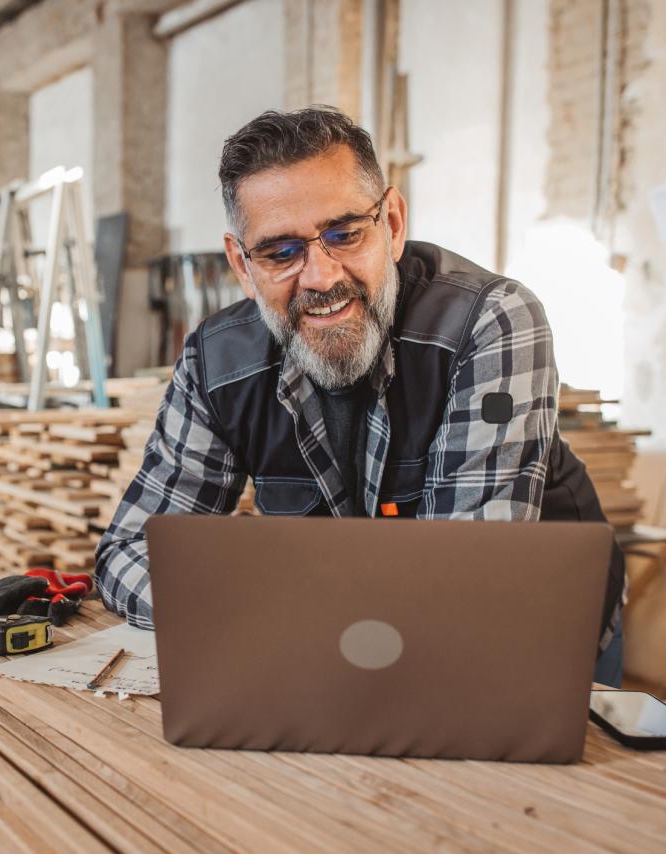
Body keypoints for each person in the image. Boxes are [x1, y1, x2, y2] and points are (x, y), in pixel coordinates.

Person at [95, 106, 626, 685]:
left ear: (393, 224)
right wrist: (257, 621)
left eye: (344, 234)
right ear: (242, 268)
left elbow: (476, 578)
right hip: (338, 647)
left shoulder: (491, 322)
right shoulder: (216, 363)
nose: (321, 277)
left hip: (536, 629)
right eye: (280, 252)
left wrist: (266, 617)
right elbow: (129, 549)